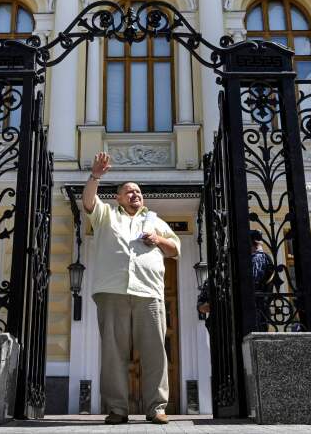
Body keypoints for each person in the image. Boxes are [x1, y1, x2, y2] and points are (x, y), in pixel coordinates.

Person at [83, 152, 181, 425]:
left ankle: (156, 408)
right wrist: (96, 175)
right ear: (118, 198)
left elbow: (175, 249)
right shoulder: (105, 215)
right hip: (112, 291)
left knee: (155, 351)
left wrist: (159, 239)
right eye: (129, 191)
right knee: (113, 352)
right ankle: (117, 409)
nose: (135, 194)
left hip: (149, 292)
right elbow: (89, 202)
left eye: (138, 191)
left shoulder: (155, 220)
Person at [196, 229, 274, 332]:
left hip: (251, 317)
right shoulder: (231, 266)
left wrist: (222, 300)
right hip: (240, 319)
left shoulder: (258, 258)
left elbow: (249, 285)